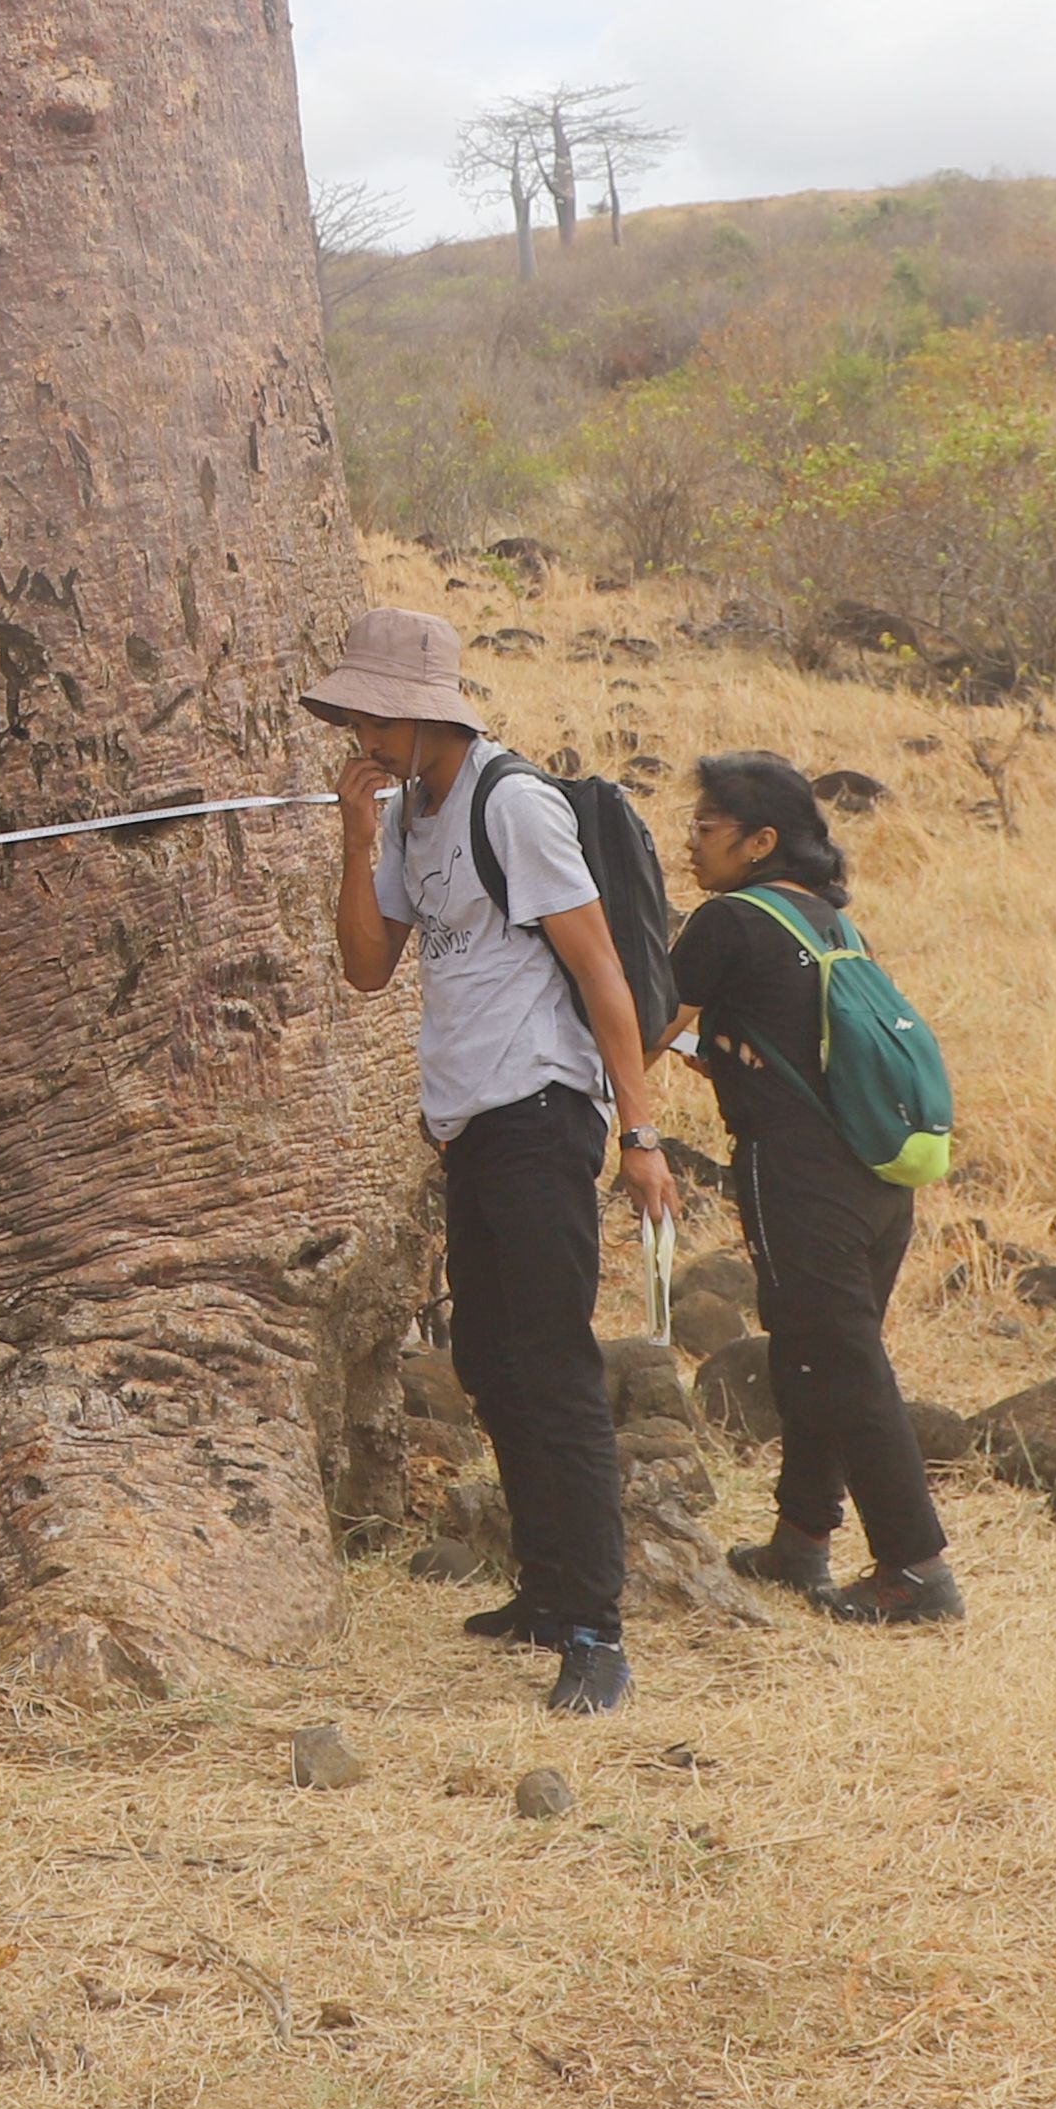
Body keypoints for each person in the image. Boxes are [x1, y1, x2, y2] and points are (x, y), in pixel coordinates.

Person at [305, 604, 677, 1716]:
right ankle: (545, 1590)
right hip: (468, 1125)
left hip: (545, 1111)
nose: (360, 731)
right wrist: (355, 833)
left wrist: (641, 1130)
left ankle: (597, 1630)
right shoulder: (415, 814)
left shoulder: (511, 804)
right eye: (354, 713)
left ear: (425, 715)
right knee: (489, 1358)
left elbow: (601, 967)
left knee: (554, 1364)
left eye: (375, 713)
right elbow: (368, 967)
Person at [670, 751, 961, 1628]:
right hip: (879, 1176)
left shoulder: (725, 921)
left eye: (706, 826)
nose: (690, 840)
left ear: (759, 841)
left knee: (843, 1366)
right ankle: (800, 1539)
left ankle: (918, 1570)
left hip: (796, 1176)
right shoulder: (833, 924)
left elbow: (651, 1029)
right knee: (815, 1352)